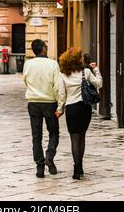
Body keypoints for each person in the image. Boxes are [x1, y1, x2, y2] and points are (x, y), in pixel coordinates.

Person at [56, 49, 102, 180]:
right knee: (82, 137)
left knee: (74, 138)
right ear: (77, 60)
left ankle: (76, 168)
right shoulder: (86, 72)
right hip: (84, 108)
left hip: (71, 109)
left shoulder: (63, 74)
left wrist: (60, 110)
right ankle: (80, 166)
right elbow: (99, 83)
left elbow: (62, 95)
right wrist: (97, 70)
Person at [23, 39, 63, 178]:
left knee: (36, 136)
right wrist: (60, 106)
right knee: (54, 132)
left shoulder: (28, 64)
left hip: (33, 102)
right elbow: (58, 87)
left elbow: (25, 81)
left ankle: (39, 167)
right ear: (43, 49)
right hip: (49, 102)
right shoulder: (53, 64)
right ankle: (49, 156)